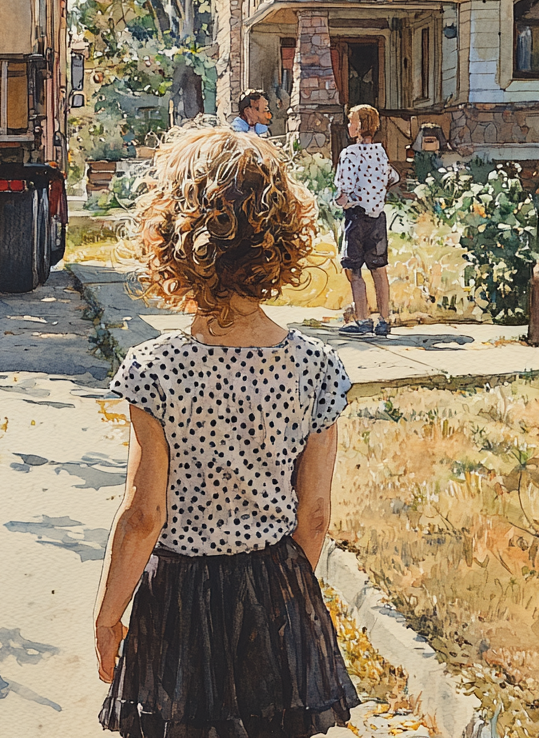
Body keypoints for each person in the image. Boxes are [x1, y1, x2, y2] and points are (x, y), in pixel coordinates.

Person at [94, 127, 359, 738]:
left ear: (173, 242)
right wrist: (288, 605)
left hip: (178, 599)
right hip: (275, 585)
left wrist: (110, 615)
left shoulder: (155, 371)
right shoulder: (317, 370)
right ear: (282, 240)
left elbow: (143, 515)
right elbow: (313, 516)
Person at [334, 104, 400, 337]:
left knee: (353, 269)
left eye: (352, 122)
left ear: (360, 126)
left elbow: (345, 189)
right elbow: (393, 176)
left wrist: (339, 201)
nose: (349, 126)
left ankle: (363, 319)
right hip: (377, 218)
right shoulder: (381, 152)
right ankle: (384, 319)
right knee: (379, 269)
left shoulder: (349, 154)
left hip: (357, 217)